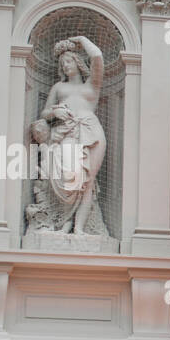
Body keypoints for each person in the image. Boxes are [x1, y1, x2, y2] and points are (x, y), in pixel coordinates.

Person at [40, 36, 105, 236]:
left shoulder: (91, 86)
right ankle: (64, 223)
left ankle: (78, 228)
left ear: (77, 62)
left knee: (87, 182)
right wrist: (54, 113)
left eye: (68, 61)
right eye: (62, 64)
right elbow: (45, 112)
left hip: (92, 132)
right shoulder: (59, 88)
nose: (65, 66)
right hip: (66, 132)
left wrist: (83, 40)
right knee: (69, 177)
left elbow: (97, 57)